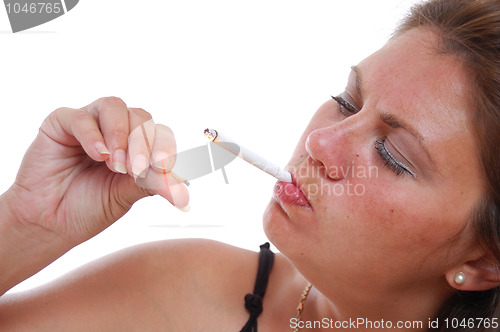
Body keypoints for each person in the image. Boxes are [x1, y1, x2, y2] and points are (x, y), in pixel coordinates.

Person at [1, 0, 499, 330]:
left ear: (482, 262)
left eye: (392, 156)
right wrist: (29, 223)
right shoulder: (187, 291)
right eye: (347, 102)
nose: (321, 141)